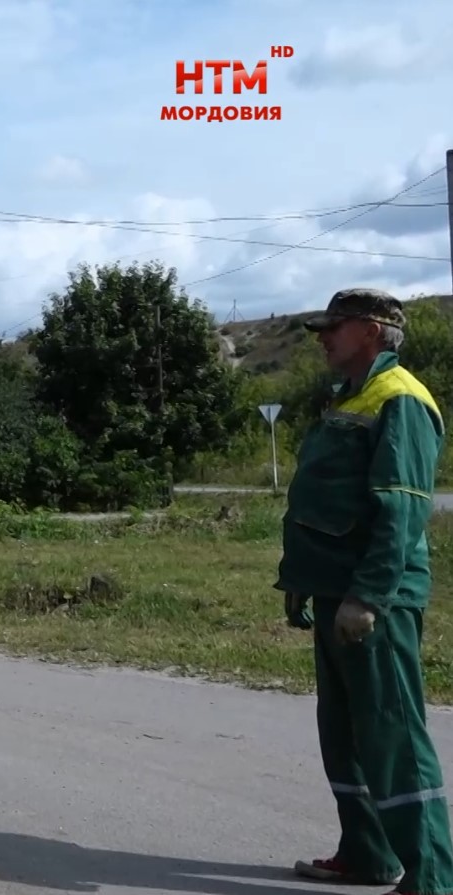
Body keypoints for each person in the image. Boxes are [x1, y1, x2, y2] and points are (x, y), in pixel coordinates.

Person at [278, 287, 453, 895]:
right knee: (347, 732)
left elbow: (402, 512)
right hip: (334, 592)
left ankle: (431, 877)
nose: (324, 336)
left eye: (336, 326)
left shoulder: (400, 398)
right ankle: (368, 854)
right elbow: (324, 498)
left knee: (393, 734)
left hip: (374, 599)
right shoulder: (347, 397)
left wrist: (369, 595)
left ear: (374, 331)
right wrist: (302, 582)